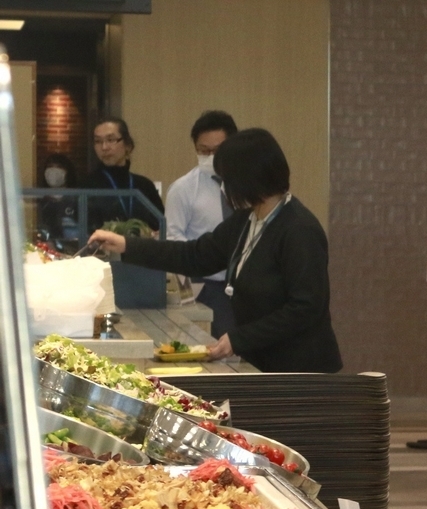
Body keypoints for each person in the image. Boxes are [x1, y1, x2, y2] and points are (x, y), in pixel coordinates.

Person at [89, 128, 342, 373]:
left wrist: (239, 338)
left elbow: (305, 307)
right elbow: (195, 256)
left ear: (248, 178)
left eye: (226, 179)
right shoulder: (245, 221)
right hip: (262, 363)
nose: (223, 187)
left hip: (302, 371)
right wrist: (126, 245)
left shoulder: (299, 229)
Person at [167, 110, 239, 338]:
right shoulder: (183, 189)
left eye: (217, 150)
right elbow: (173, 239)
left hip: (247, 284)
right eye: (203, 151)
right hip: (209, 285)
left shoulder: (247, 185)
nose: (210, 156)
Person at [84, 117, 164, 233]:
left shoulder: (145, 186)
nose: (104, 147)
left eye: (111, 140)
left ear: (127, 145)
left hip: (141, 244)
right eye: (98, 141)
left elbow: (160, 227)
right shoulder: (86, 186)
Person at [35, 153, 81, 246]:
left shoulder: (77, 198)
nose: (53, 170)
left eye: (59, 167)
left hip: (73, 246)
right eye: (50, 166)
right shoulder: (39, 199)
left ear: (67, 171)